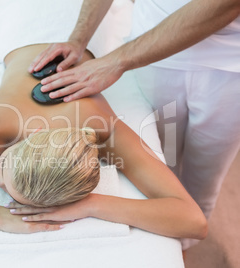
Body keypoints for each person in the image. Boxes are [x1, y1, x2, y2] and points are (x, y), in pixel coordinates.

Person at [0, 1, 207, 240]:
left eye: (0, 179)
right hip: (33, 21)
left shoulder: (98, 131)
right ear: (23, 141)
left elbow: (193, 221)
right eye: (4, 174)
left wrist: (91, 204)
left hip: (78, 26)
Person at [29, 0, 240, 248]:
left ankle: (184, 248)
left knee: (203, 178)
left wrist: (115, 62)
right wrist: (78, 38)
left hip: (229, 67)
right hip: (153, 51)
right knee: (161, 162)